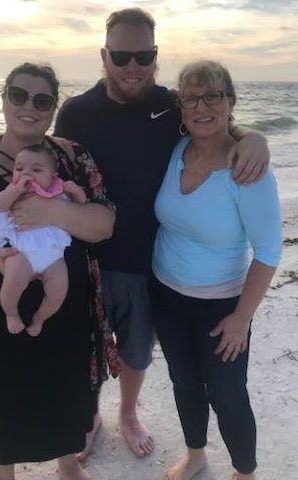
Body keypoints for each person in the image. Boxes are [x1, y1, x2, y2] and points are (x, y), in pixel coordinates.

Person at [54, 7, 271, 459]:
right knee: (87, 351)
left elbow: (212, 120)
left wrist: (253, 137)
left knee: (136, 352)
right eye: (121, 55)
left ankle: (129, 414)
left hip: (146, 265)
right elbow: (52, 172)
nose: (133, 65)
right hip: (86, 260)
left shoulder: (169, 105)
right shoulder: (75, 113)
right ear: (104, 55)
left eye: (143, 55)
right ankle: (90, 417)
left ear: (155, 56)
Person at [0, 62, 117, 480]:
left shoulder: (72, 156)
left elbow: (104, 224)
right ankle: (4, 471)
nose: (29, 107)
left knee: (65, 388)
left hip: (65, 304)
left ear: (53, 107)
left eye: (42, 99)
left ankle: (68, 464)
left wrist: (54, 209)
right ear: (4, 97)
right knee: (2, 392)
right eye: (18, 95)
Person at [149, 60, 282, 480]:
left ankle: (244, 471)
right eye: (190, 97)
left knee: (227, 395)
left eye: (212, 95)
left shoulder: (248, 170)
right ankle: (196, 455)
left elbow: (268, 251)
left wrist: (242, 318)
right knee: (184, 383)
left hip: (222, 306)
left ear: (231, 102)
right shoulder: (175, 149)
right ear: (181, 106)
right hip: (165, 295)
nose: (200, 106)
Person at [0, 143, 86, 336]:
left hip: (54, 258)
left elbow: (81, 207)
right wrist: (14, 191)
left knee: (58, 290)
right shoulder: (13, 191)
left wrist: (76, 192)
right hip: (22, 253)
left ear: (53, 176)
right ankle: (11, 313)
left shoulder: (60, 191)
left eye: (36, 169)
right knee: (12, 282)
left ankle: (40, 317)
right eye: (19, 168)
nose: (27, 174)